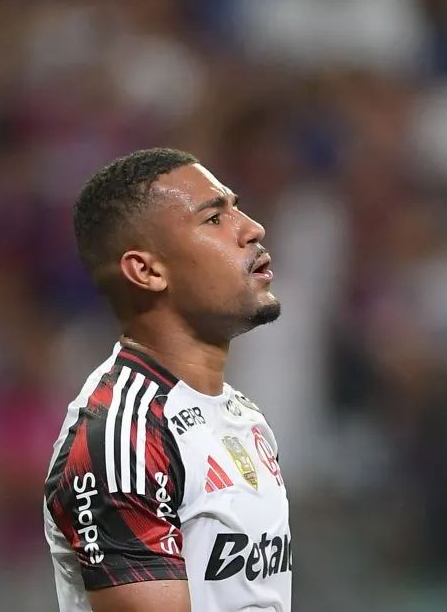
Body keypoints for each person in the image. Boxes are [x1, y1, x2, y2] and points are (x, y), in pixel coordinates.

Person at [43, 148, 290, 612]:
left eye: (236, 207)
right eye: (214, 218)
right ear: (148, 270)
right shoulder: (125, 438)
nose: (251, 228)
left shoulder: (241, 415)